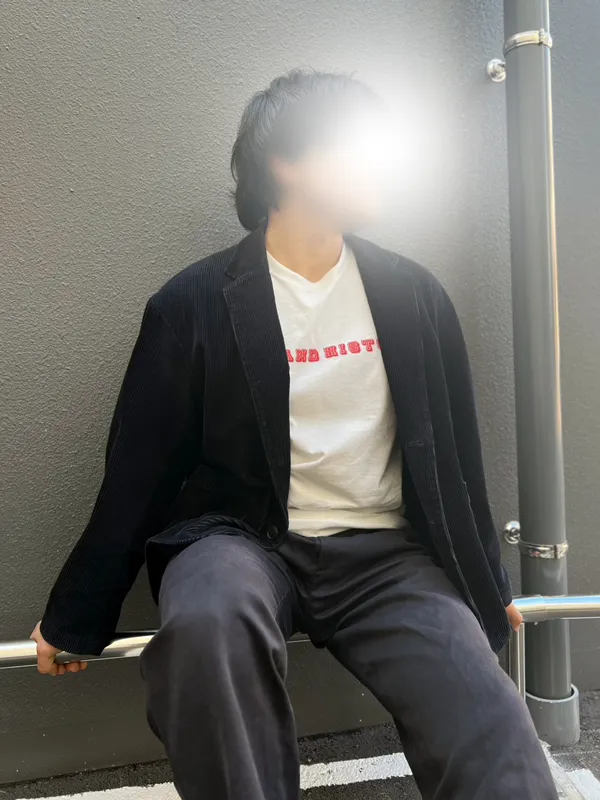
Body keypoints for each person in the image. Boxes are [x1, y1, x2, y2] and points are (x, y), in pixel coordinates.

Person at [31, 69, 558, 799]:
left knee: (487, 718)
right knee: (208, 628)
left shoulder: (413, 295)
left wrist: (486, 584)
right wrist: (76, 614)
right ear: (284, 163)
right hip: (240, 541)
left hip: (386, 555)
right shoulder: (193, 304)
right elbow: (138, 475)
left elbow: (455, 462)